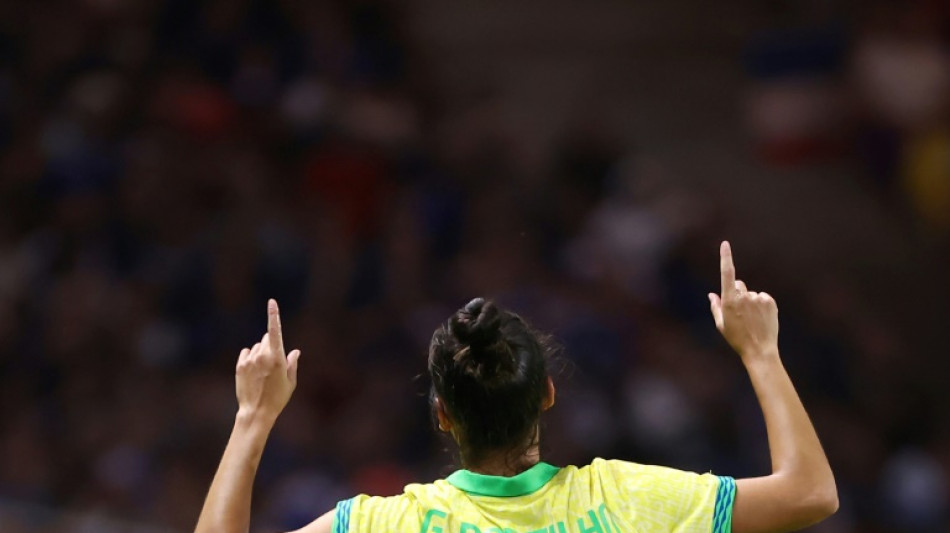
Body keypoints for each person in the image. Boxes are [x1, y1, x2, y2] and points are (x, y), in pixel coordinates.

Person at [195, 241, 838, 533]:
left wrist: (253, 417)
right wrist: (761, 353)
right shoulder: (631, 501)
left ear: (442, 414)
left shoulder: (385, 524)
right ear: (548, 394)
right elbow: (810, 494)